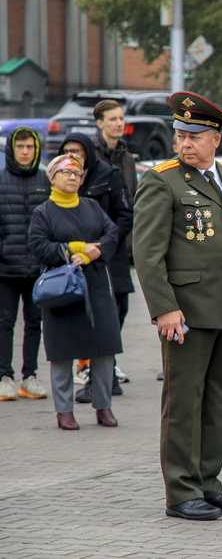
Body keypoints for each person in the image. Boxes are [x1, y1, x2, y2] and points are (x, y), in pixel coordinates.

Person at [133, 91, 222, 521]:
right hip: (186, 312)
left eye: (195, 136)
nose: (185, 143)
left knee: (218, 401)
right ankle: (181, 490)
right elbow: (147, 253)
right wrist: (165, 308)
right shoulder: (161, 180)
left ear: (216, 140)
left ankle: (209, 482)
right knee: (185, 401)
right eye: (180, 135)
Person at [28, 154, 119, 430]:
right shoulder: (43, 212)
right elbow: (38, 245)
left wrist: (93, 254)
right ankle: (64, 410)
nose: (72, 178)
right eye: (66, 173)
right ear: (52, 177)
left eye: (77, 174)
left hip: (96, 286)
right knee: (62, 352)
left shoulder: (92, 206)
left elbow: (111, 234)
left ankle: (103, 407)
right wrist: (74, 249)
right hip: (62, 290)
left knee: (104, 348)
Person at [57, 133, 132, 403]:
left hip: (110, 259)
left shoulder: (108, 175)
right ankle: (95, 376)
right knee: (86, 322)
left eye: (78, 150)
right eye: (67, 150)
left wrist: (102, 246)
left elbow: (125, 216)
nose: (73, 155)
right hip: (76, 265)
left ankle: (106, 374)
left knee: (113, 318)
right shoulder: (63, 178)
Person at [0, 128, 49, 402]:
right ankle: (4, 377)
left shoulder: (45, 180)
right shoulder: (1, 180)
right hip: (6, 268)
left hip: (37, 269)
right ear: (12, 149)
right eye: (21, 147)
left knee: (34, 323)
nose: (26, 151)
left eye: (30, 146)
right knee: (5, 323)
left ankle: (29, 377)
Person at [92, 99, 138, 382]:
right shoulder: (91, 155)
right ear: (100, 124)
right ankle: (89, 363)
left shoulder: (127, 157)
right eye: (113, 119)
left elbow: (131, 199)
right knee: (97, 304)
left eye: (121, 118)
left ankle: (108, 358)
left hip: (120, 241)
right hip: (95, 242)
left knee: (121, 302)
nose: (119, 123)